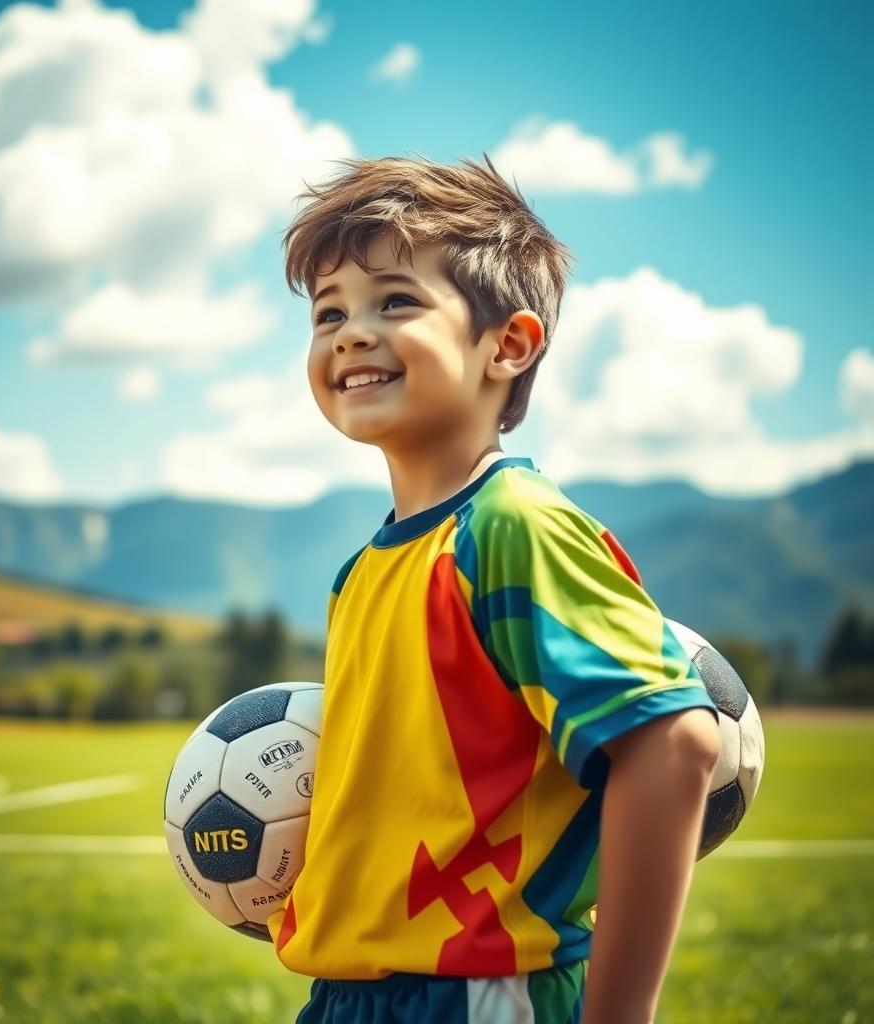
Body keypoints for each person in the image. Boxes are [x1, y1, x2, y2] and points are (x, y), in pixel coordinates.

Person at [269, 153, 721, 1024]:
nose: (350, 333)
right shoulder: (363, 571)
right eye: (328, 313)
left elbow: (673, 746)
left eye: (395, 300)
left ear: (506, 345)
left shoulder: (510, 525)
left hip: (476, 996)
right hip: (349, 999)